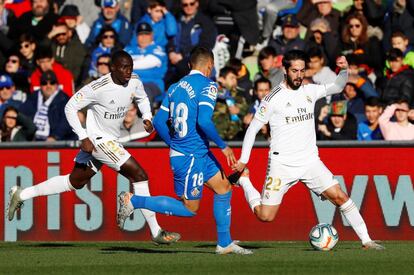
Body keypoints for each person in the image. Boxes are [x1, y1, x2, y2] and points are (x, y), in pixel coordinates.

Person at [7, 50, 181, 245]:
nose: (128, 71)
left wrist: (147, 116)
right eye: (123, 67)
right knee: (140, 176)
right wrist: (83, 136)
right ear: (113, 68)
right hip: (98, 140)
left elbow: (141, 98)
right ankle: (156, 231)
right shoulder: (98, 87)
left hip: (111, 140)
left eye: (130, 67)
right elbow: (70, 106)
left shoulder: (134, 80)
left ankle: (21, 194)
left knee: (74, 181)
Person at [232, 50, 384, 250]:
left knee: (340, 196)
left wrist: (344, 70)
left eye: (302, 70)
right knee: (265, 216)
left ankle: (366, 240)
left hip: (310, 161)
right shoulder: (272, 98)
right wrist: (244, 160)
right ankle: (245, 180)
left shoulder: (309, 91)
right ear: (285, 71)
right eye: (295, 71)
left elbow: (338, 85)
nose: (299, 75)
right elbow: (252, 129)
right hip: (282, 164)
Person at [117, 47, 252, 255]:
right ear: (210, 66)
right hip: (190, 156)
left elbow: (159, 122)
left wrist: (174, 144)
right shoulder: (208, 86)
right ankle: (133, 201)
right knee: (190, 208)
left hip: (196, 153)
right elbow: (204, 121)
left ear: (190, 65)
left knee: (224, 187)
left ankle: (224, 243)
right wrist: (223, 146)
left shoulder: (174, 87)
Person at [21, 70, 76, 141]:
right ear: (40, 86)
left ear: (56, 85)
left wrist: (55, 136)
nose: (48, 86)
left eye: (52, 83)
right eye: (44, 83)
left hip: (57, 141)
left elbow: (66, 122)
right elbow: (23, 114)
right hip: (33, 139)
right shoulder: (33, 97)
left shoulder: (64, 99)